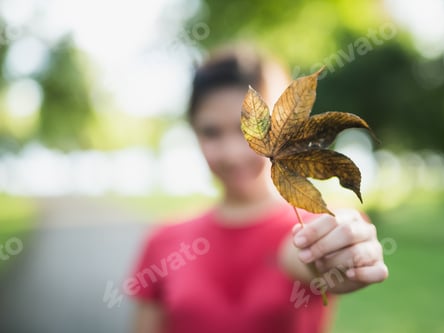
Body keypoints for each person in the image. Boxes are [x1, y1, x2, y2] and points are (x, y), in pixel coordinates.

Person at [130, 45, 388, 333]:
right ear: (193, 130)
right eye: (212, 132)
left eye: (250, 131)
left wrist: (337, 257)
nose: (233, 154)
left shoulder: (316, 226)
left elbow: (310, 259)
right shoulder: (163, 241)